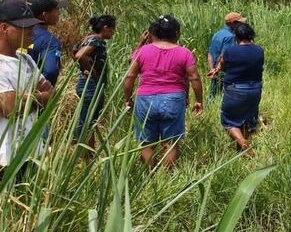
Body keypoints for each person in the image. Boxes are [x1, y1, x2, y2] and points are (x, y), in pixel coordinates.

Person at [123, 15, 203, 168]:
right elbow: (194, 78)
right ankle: (164, 178)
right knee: (171, 143)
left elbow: (130, 76)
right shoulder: (184, 53)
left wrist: (127, 98)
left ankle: (150, 178)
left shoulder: (143, 51)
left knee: (147, 143)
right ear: (177, 34)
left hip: (145, 99)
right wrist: (199, 100)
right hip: (173, 99)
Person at [0, 0, 51, 169]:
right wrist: (40, 97)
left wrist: (26, 98)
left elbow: (50, 93)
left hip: (30, 150)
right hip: (6, 156)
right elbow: (10, 107)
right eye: (24, 27)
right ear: (4, 28)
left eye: (32, 27)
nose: (32, 32)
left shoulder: (26, 59)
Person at [209, 22, 263, 154]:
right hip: (255, 90)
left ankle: (245, 147)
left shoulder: (230, 51)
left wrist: (215, 70)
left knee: (229, 122)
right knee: (247, 121)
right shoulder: (259, 50)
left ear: (236, 36)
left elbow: (222, 65)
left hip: (235, 90)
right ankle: (241, 152)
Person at [72, 15, 116, 149]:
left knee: (88, 120)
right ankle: (84, 154)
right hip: (91, 85)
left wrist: (84, 67)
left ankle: (85, 153)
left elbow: (74, 52)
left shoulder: (86, 39)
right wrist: (90, 70)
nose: (113, 32)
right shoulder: (95, 41)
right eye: (112, 29)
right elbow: (80, 55)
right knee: (88, 122)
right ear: (105, 28)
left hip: (86, 83)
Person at [26, 0, 67, 86]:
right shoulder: (50, 41)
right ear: (45, 15)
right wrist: (43, 91)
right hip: (33, 95)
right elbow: (51, 71)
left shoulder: (16, 33)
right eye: (56, 10)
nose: (58, 13)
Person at [207, 12, 245, 99]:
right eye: (239, 22)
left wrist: (212, 69)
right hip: (223, 72)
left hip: (215, 71)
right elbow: (224, 56)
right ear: (232, 23)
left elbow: (210, 53)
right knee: (223, 98)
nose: (241, 24)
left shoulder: (217, 34)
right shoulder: (230, 37)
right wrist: (218, 70)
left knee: (213, 96)